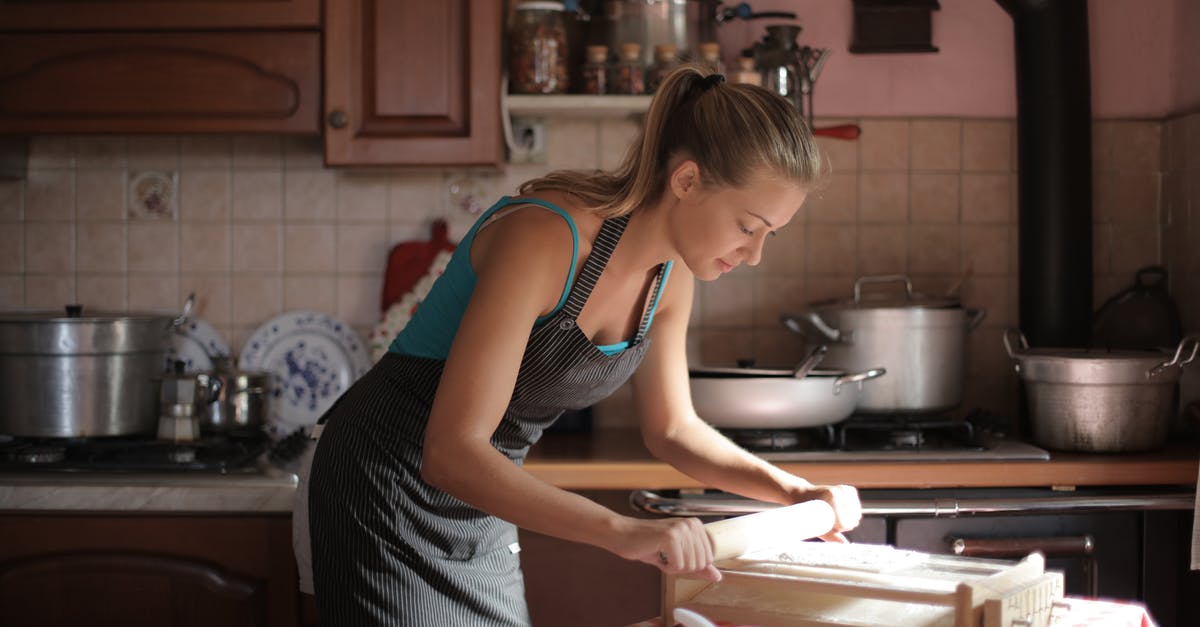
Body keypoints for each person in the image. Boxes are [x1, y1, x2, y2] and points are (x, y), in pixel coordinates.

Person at [293, 64, 863, 626]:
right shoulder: (547, 237)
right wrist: (623, 532)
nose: (755, 253)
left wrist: (794, 492)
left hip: (482, 495)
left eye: (770, 235)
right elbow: (452, 451)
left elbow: (673, 431)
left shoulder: (672, 277)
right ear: (686, 181)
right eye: (747, 226)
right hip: (384, 485)